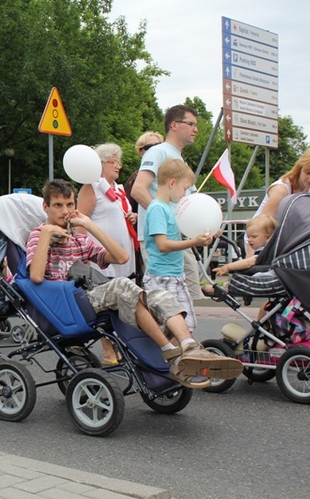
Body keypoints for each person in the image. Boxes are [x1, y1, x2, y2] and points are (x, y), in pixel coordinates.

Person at [26, 179, 243, 389]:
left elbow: (121, 258)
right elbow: (35, 277)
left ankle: (189, 347)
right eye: (57, 205)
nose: (65, 211)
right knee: (122, 285)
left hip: (89, 296)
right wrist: (46, 233)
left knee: (159, 295)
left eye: (69, 204)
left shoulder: (78, 239)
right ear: (45, 207)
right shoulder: (37, 235)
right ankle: (170, 351)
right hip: (63, 303)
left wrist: (89, 225)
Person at [132, 105, 204, 300]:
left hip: (177, 237)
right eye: (191, 124)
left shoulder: (178, 158)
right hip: (161, 239)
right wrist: (166, 219)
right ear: (174, 125)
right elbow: (138, 189)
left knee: (188, 299)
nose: (195, 129)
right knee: (168, 303)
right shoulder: (158, 152)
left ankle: (184, 331)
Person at [76, 143, 137, 365]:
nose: (119, 165)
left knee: (122, 300)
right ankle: (108, 350)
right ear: (100, 163)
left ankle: (120, 345)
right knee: (105, 302)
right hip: (101, 257)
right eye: (114, 161)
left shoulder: (118, 190)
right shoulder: (91, 188)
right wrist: (81, 255)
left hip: (120, 255)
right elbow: (79, 223)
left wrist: (133, 218)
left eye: (119, 161)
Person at [144, 159, 212, 335]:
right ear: (172, 183)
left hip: (175, 274)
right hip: (161, 276)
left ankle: (172, 358)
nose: (185, 194)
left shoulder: (168, 208)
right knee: (169, 327)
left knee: (187, 326)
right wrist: (194, 242)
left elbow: (175, 235)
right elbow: (163, 245)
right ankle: (165, 359)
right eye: (184, 188)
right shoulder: (158, 209)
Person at [253, 145, 310, 225]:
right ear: (300, 168)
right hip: (261, 239)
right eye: (308, 172)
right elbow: (261, 225)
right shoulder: (281, 190)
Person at [203, 215, 277, 298]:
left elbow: (248, 263)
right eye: (248, 237)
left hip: (267, 280)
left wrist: (227, 268)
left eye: (254, 236)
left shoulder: (265, 251)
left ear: (267, 237)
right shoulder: (269, 249)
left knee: (245, 276)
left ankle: (227, 288)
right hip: (269, 278)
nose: (249, 239)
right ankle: (227, 287)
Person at [125, 131, 163, 214]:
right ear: (140, 152)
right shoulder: (136, 177)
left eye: (158, 145)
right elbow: (128, 205)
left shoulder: (168, 173)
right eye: (149, 147)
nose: (154, 149)